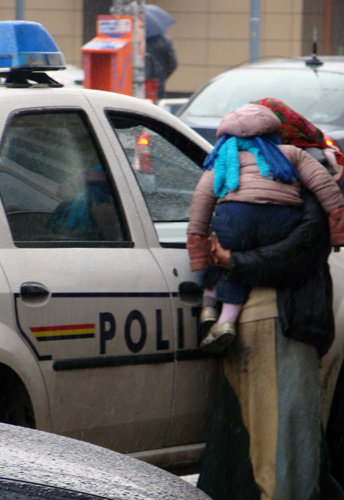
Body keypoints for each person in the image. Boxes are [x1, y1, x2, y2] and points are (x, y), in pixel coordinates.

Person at [191, 188, 344, 499]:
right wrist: (237, 260)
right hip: (277, 322)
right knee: (282, 452)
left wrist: (231, 259)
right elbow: (300, 253)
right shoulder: (300, 178)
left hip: (244, 319)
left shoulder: (236, 171)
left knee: (254, 446)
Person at [187, 103, 344, 353]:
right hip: (280, 235)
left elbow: (200, 206)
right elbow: (330, 197)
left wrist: (204, 255)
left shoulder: (223, 160)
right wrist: (338, 235)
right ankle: (223, 317)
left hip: (236, 227)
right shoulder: (293, 155)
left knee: (226, 249)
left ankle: (216, 311)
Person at [145, 33, 177, 99]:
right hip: (159, 78)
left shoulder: (141, 40)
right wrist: (164, 75)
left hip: (145, 77)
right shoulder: (166, 41)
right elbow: (173, 63)